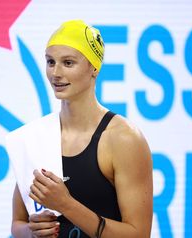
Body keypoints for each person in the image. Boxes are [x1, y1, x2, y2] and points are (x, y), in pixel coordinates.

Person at [11, 20, 153, 238]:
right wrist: (32, 232)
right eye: (50, 62)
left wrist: (67, 205)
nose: (56, 73)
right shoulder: (37, 137)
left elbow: (139, 235)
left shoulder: (123, 139)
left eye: (68, 63)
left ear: (93, 68)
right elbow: (17, 224)